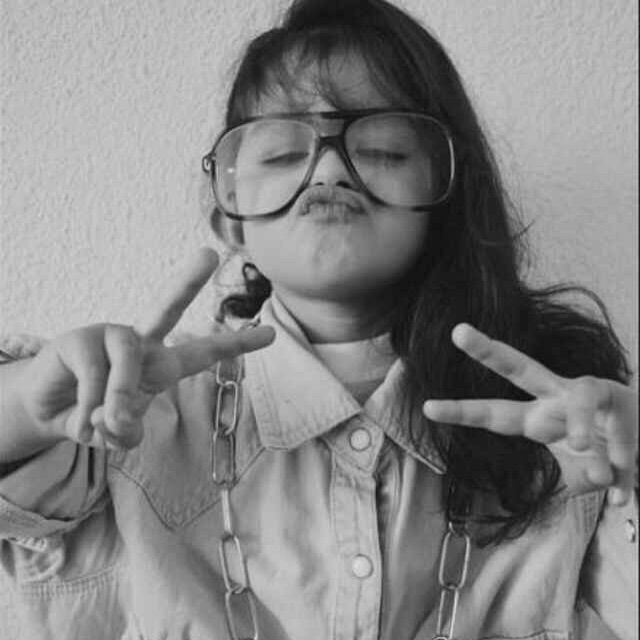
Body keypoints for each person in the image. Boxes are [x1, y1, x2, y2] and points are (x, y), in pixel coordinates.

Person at [0, 0, 637, 639]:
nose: (329, 170)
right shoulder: (126, 417)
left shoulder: (564, 430)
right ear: (230, 219)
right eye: (282, 154)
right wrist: (26, 403)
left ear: (444, 198)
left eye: (383, 150)